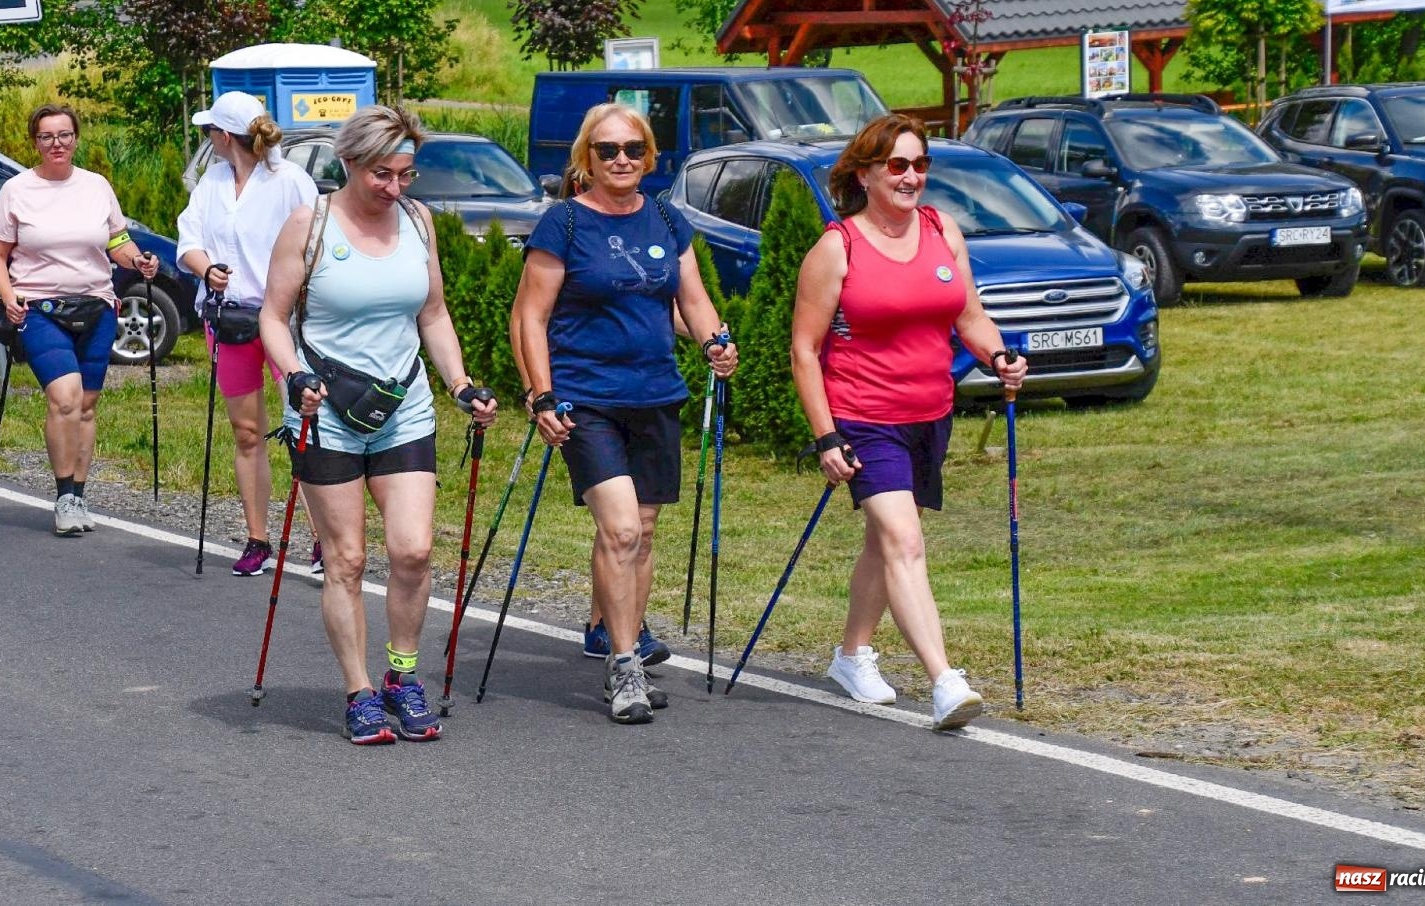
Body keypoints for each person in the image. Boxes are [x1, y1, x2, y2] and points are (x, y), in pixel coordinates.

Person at [259, 104, 498, 745]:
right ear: (351, 165)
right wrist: (294, 377)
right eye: (382, 176)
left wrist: (460, 383)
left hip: (404, 406)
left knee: (414, 550)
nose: (395, 189)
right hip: (325, 409)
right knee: (346, 559)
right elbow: (273, 319)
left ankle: (402, 675)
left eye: (406, 175)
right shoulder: (310, 227)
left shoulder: (418, 222)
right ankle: (359, 689)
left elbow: (434, 315)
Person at [789, 113, 1028, 730]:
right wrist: (826, 435)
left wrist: (998, 355)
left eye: (920, 164)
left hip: (930, 413)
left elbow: (969, 315)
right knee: (904, 541)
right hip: (865, 417)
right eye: (897, 165)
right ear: (865, 173)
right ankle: (946, 682)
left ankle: (851, 656)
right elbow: (806, 351)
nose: (911, 176)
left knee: (884, 540)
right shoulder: (836, 247)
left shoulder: (941, 229)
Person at [514, 102, 737, 726]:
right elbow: (528, 316)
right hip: (586, 397)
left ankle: (620, 634)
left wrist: (715, 340)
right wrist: (541, 393)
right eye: (607, 150)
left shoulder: (666, 217)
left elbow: (692, 301)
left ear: (650, 158)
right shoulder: (562, 222)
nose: (620, 160)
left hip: (656, 394)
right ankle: (623, 664)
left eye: (632, 150)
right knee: (620, 530)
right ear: (586, 158)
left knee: (643, 529)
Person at [0, 104, 161, 536]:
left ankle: (80, 496)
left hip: (97, 306)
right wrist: (8, 298)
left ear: (76, 138)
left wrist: (137, 260)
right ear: (35, 143)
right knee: (64, 397)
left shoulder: (96, 186)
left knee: (85, 405)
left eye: (64, 135)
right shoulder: (17, 190)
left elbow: (116, 239)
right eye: (47, 137)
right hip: (40, 308)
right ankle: (64, 496)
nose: (56, 144)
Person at [176, 91, 320, 577]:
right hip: (228, 319)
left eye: (209, 131)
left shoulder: (290, 181)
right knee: (247, 430)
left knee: (305, 426)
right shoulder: (212, 182)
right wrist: (207, 269)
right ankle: (259, 538)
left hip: (281, 320)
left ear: (225, 135)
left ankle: (324, 537)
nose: (206, 138)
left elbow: (317, 240)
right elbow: (189, 239)